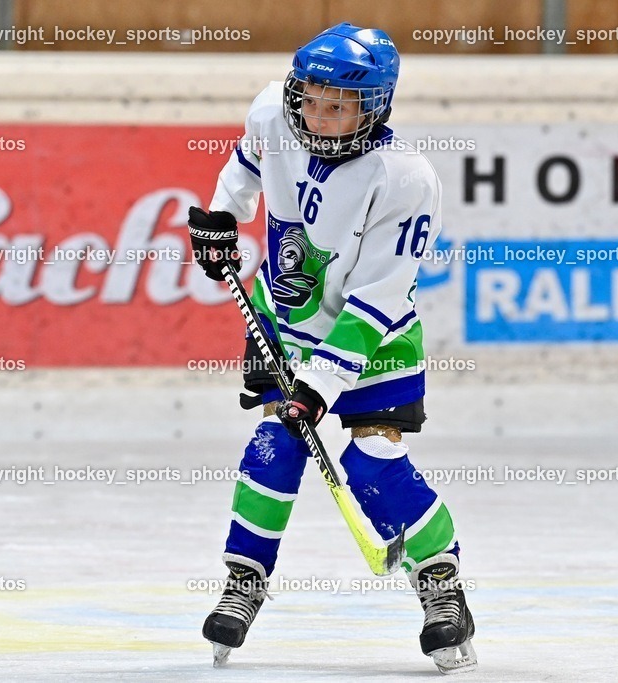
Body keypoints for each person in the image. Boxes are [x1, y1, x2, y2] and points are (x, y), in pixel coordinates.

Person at [186, 22, 477, 674]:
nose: (318, 113)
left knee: (373, 461)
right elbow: (246, 163)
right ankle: (244, 578)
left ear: (373, 108)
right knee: (274, 444)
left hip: (373, 343)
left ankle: (441, 581)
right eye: (311, 97)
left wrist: (319, 385)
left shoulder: (405, 181)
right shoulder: (272, 110)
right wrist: (219, 218)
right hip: (285, 318)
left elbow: (373, 303)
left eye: (339, 105)